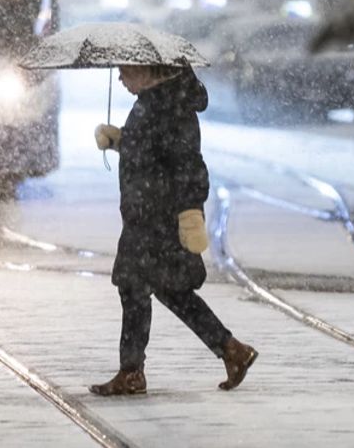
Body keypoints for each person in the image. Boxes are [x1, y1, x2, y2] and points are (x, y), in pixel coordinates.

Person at [89, 63, 257, 396]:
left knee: (136, 288)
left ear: (147, 71)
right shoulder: (153, 101)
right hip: (145, 213)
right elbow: (152, 153)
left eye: (125, 71)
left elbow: (188, 166)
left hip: (159, 216)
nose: (120, 79)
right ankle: (231, 350)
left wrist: (191, 214)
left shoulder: (172, 107)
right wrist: (119, 140)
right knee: (167, 290)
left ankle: (132, 371)